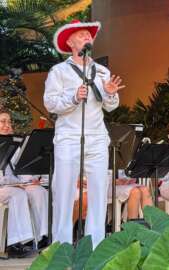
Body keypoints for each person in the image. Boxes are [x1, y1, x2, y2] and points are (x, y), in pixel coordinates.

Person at [44, 20, 125, 247]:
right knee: (64, 192)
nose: (87, 38)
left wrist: (109, 93)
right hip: (68, 136)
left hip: (97, 137)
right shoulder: (58, 71)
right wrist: (72, 97)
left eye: (88, 35)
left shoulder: (102, 71)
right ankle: (61, 247)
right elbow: (50, 103)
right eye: (81, 35)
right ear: (70, 42)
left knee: (99, 193)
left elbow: (110, 105)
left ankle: (95, 246)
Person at [0, 109, 48, 257]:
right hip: (4, 186)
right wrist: (14, 184)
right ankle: (18, 243)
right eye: (3, 121)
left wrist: (29, 181)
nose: (7, 125)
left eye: (9, 121)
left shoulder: (14, 143)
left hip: (14, 184)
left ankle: (43, 238)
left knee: (39, 191)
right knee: (18, 194)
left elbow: (19, 168)